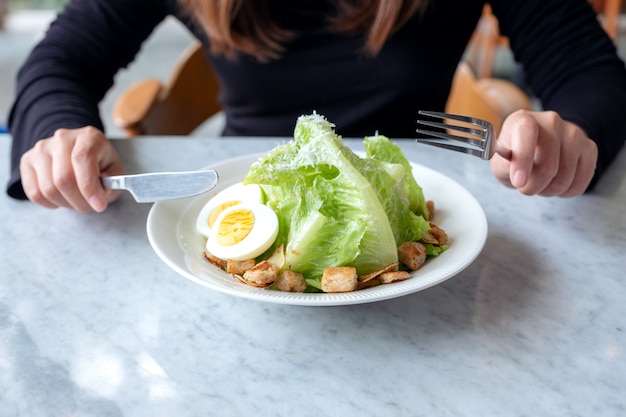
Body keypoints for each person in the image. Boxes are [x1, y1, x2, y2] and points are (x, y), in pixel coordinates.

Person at [6, 0, 626, 212]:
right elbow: (61, 61)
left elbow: (590, 71)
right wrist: (61, 133)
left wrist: (570, 135)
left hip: (419, 203)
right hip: (241, 197)